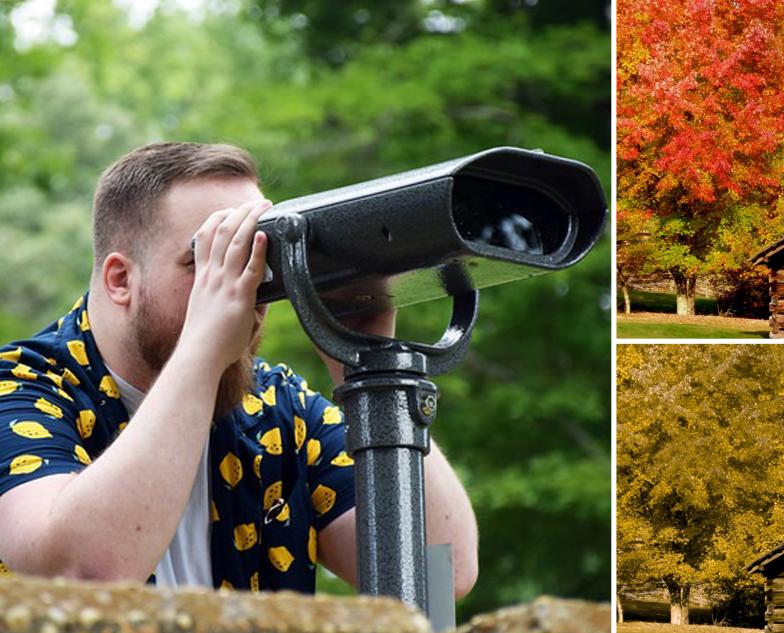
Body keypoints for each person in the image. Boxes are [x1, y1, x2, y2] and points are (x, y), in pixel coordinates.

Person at [0, 142, 478, 597]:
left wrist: (367, 365)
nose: (242, 286)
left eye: (256, 257)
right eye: (208, 260)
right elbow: (85, 574)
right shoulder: (19, 389)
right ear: (121, 279)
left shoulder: (278, 408)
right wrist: (203, 348)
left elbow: (441, 572)